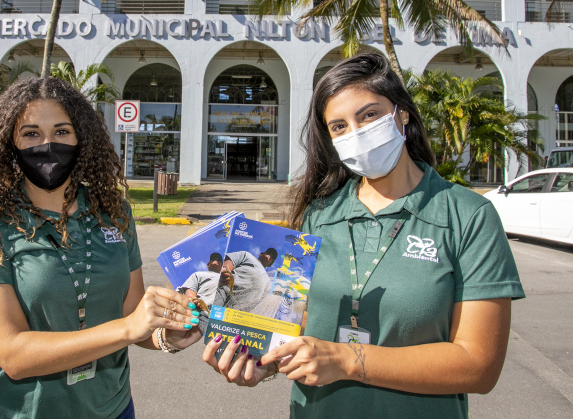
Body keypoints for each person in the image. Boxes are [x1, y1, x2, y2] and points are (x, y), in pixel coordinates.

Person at [203, 53, 524, 418]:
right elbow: (297, 322)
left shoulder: (467, 216)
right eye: (338, 126)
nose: (355, 133)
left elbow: (478, 366)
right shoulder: (319, 215)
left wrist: (348, 360)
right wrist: (265, 362)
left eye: (369, 115)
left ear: (402, 114)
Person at [0, 77, 202, 419]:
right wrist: (129, 328)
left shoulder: (114, 211)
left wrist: (165, 333)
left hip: (113, 408)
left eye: (62, 132)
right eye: (31, 133)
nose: (48, 144)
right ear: (10, 143)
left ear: (82, 138)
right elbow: (13, 354)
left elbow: (132, 317)